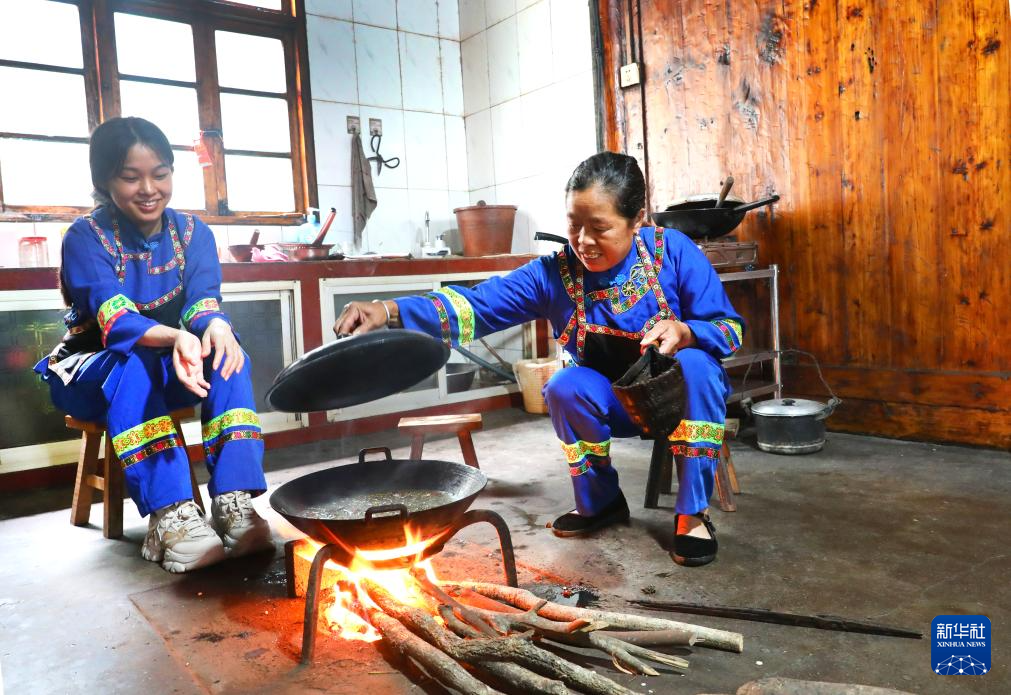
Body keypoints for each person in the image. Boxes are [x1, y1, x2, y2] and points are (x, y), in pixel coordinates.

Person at [334, 152, 744, 567]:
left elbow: (729, 329)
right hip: (613, 403)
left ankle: (692, 515)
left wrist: (687, 332)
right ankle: (601, 502)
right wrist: (389, 310)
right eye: (574, 225)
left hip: (678, 400)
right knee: (564, 386)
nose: (583, 241)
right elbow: (477, 304)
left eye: (599, 228)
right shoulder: (554, 274)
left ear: (637, 219)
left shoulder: (672, 252)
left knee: (697, 367)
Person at [34, 117, 272, 573]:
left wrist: (216, 326)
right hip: (92, 372)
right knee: (136, 361)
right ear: (105, 180)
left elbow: (202, 301)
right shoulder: (85, 236)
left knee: (228, 352)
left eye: (160, 174)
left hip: (168, 366)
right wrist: (178, 336)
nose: (149, 189)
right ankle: (172, 514)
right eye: (130, 177)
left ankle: (234, 501)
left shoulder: (194, 233)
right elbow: (116, 318)